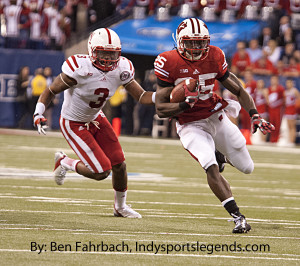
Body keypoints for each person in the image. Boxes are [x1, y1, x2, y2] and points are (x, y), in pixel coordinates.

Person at [154, 18, 275, 233]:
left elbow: (238, 89)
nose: (196, 48)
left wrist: (255, 115)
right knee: (209, 163)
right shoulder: (168, 62)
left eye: (201, 43)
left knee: (247, 168)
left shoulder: (215, 56)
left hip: (215, 116)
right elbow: (161, 109)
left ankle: (222, 153)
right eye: (191, 42)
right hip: (190, 123)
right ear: (180, 41)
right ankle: (238, 216)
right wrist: (184, 104)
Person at [33, 28, 155, 218]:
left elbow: (141, 96)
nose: (107, 58)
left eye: (112, 53)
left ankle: (120, 207)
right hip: (73, 122)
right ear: (92, 51)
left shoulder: (122, 68)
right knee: (101, 171)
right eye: (103, 52)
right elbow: (50, 91)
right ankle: (65, 162)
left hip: (96, 118)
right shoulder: (78, 68)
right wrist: (38, 113)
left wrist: (166, 97)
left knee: (119, 164)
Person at [284, 79, 300, 145]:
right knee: (289, 126)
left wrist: (296, 107)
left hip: (293, 110)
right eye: (287, 83)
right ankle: (290, 140)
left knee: (292, 126)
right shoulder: (285, 92)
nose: (288, 84)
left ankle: (292, 141)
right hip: (287, 110)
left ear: (292, 83)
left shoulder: (294, 91)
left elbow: (298, 99)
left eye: (289, 83)